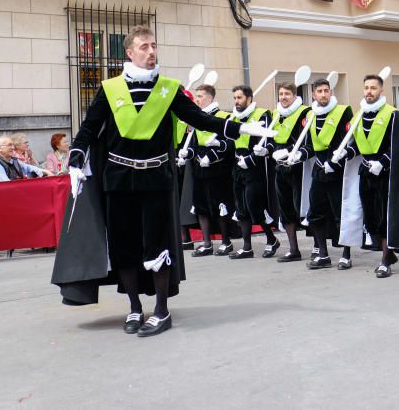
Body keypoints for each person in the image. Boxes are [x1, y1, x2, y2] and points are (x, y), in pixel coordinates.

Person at [51, 26, 273, 337]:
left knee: (158, 246)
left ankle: (161, 311)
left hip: (155, 177)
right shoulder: (110, 89)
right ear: (129, 53)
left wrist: (241, 130)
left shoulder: (169, 89)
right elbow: (89, 128)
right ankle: (133, 308)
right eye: (144, 46)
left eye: (154, 45)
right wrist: (76, 158)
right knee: (124, 247)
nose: (151, 51)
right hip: (118, 178)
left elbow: (201, 119)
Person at [332, 74, 399, 278]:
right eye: (366, 88)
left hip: (386, 174)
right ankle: (386, 254)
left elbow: (398, 145)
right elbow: (357, 145)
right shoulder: (360, 115)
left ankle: (385, 259)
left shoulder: (392, 115)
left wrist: (383, 163)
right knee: (371, 216)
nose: (369, 92)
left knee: (384, 217)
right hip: (366, 171)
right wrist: (346, 152)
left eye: (373, 88)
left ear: (381, 91)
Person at [285, 78, 356, 270]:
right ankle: (323, 254)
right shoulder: (311, 116)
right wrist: (299, 154)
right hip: (318, 170)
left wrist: (336, 162)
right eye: (319, 91)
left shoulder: (343, 112)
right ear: (313, 94)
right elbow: (310, 145)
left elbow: (349, 142)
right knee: (315, 213)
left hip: (337, 171)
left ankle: (346, 254)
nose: (323, 94)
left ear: (331, 93)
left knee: (339, 215)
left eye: (326, 91)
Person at [179, 84, 236, 257]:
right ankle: (206, 243)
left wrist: (213, 153)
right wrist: (188, 152)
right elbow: (195, 143)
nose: (197, 100)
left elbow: (231, 144)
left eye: (200, 96)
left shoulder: (223, 117)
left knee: (221, 207)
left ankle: (226, 242)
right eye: (196, 96)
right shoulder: (198, 118)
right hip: (199, 169)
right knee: (200, 207)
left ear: (210, 98)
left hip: (218, 170)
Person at [260, 83, 312, 262]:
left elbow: (306, 138)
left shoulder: (305, 113)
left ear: (294, 95)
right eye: (281, 94)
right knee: (286, 209)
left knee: (303, 208)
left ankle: (317, 248)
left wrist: (290, 150)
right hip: (280, 167)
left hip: (298, 167)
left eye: (287, 94)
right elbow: (272, 137)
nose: (283, 97)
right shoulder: (276, 114)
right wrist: (268, 149)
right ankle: (293, 249)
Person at [228, 85, 279, 259]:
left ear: (249, 98)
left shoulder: (262, 114)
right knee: (241, 207)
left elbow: (266, 142)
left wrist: (249, 160)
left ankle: (271, 239)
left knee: (254, 205)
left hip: (255, 166)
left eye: (240, 97)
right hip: (237, 165)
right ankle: (247, 247)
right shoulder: (233, 116)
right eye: (235, 98)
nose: (237, 101)